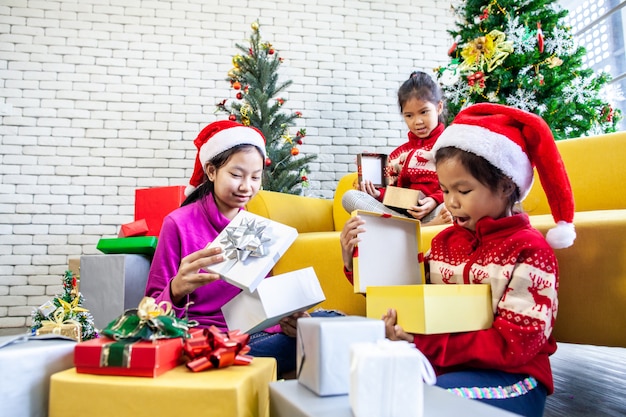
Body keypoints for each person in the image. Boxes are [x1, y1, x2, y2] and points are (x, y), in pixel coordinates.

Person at [340, 103, 576, 417]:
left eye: (463, 190)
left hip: (515, 379)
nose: (450, 202)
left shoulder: (529, 251)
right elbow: (400, 292)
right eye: (445, 189)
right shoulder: (444, 242)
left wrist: (426, 344)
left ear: (507, 186)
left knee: (420, 403)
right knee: (371, 392)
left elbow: (517, 344)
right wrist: (353, 259)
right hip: (442, 367)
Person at [144, 120, 335, 378]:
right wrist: (176, 289)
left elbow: (261, 300)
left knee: (332, 322)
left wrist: (290, 318)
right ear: (211, 171)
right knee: (321, 340)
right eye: (236, 175)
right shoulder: (177, 223)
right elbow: (150, 310)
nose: (247, 187)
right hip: (207, 340)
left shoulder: (255, 226)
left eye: (255, 177)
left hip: (256, 334)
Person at [342, 70, 452, 226]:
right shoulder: (398, 154)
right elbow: (391, 195)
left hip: (435, 211)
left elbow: (462, 186)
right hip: (401, 212)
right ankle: (412, 228)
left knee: (456, 206)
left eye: (424, 112)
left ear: (439, 107)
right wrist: (376, 193)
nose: (417, 121)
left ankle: (405, 228)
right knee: (350, 197)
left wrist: (435, 200)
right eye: (409, 115)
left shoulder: (450, 145)